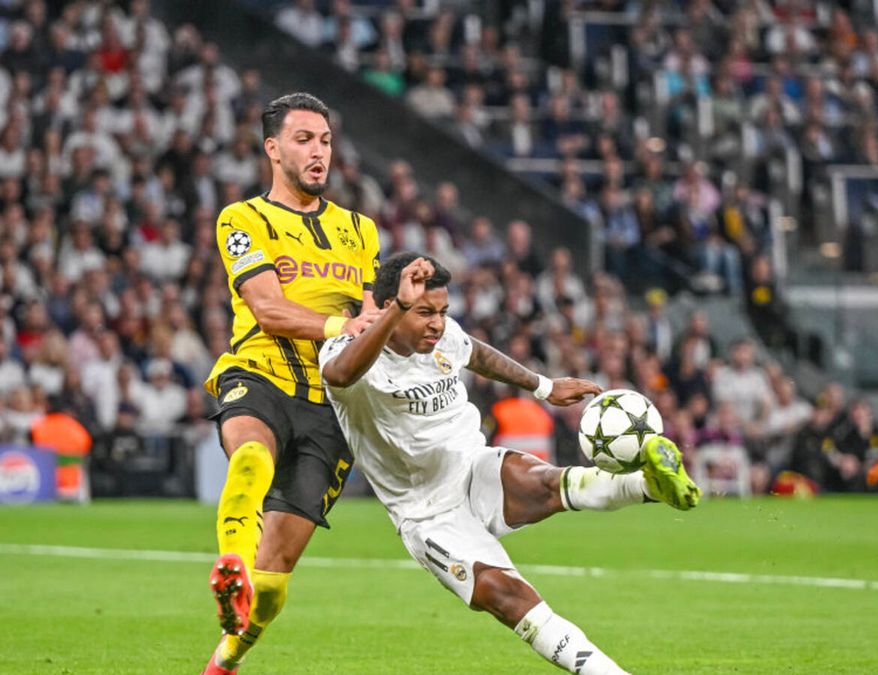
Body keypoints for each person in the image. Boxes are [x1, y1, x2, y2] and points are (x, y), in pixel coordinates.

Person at [318, 253, 701, 675]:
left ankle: (649, 485)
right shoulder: (349, 351)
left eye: (443, 312)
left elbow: (475, 353)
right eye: (424, 312)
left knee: (546, 482)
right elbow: (339, 376)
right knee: (510, 597)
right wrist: (399, 311)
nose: (437, 324)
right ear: (393, 305)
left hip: (471, 464)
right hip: (428, 513)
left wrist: (544, 385)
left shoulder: (441, 337)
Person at [202, 93, 381, 675]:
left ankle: (222, 661)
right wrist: (345, 325)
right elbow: (269, 308)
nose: (318, 151)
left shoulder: (360, 231)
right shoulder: (242, 219)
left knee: (275, 584)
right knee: (251, 453)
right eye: (304, 139)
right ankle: (229, 564)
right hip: (260, 373)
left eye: (325, 141)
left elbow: (374, 323)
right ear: (272, 150)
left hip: (332, 409)